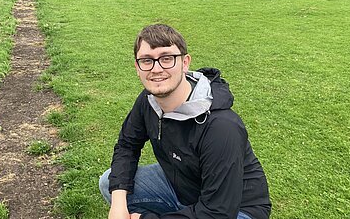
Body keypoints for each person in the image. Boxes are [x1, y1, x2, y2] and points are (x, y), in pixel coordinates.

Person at [99, 24, 271, 219]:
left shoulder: (221, 127)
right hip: (182, 187)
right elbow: (127, 145)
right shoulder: (149, 100)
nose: (156, 69)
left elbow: (218, 213)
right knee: (109, 183)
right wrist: (118, 205)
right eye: (147, 61)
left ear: (185, 62)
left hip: (236, 209)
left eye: (166, 58)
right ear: (137, 67)